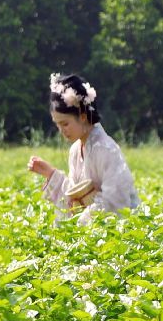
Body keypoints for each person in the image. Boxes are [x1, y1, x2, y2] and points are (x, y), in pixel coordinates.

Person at [27, 73, 141, 224]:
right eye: (58, 125)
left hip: (126, 229)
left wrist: (83, 221)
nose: (62, 131)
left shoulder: (106, 149)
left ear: (82, 116)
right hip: (95, 231)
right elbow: (75, 199)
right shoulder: (75, 150)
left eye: (65, 124)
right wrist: (51, 174)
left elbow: (116, 202)